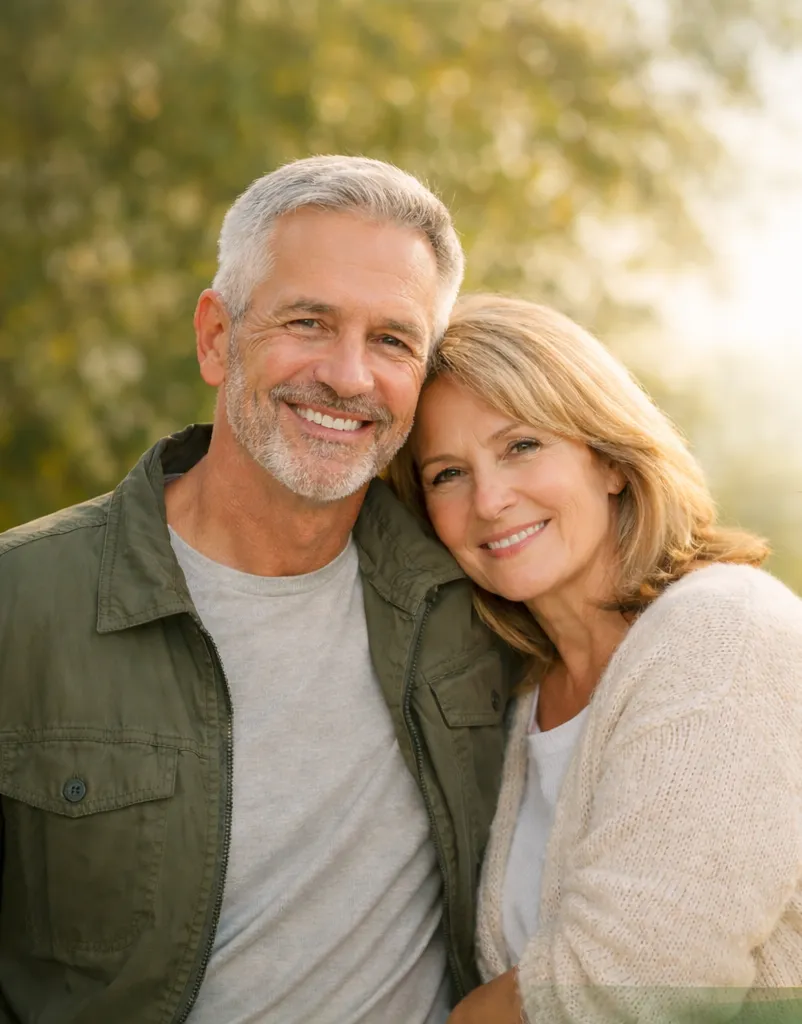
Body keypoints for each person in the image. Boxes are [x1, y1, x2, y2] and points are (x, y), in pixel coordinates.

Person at [0, 159, 516, 1024]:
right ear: (214, 336)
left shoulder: (476, 594)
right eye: (308, 321)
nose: (349, 377)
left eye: (393, 340)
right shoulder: (23, 603)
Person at [387, 293, 802, 1024]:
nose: (489, 499)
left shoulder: (725, 634)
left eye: (521, 446)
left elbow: (638, 977)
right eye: (447, 473)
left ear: (608, 458)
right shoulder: (519, 695)